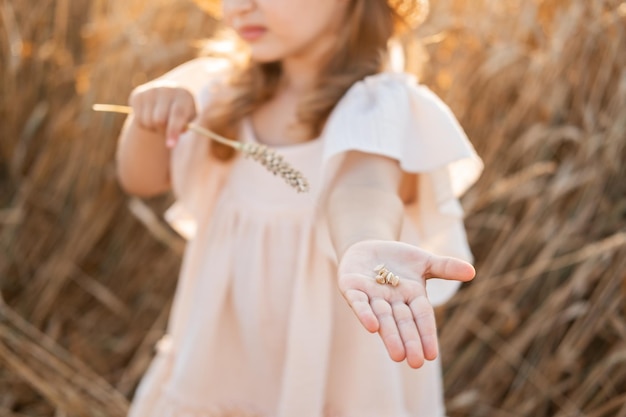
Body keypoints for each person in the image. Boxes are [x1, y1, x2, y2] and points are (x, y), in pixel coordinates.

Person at [115, 0, 483, 415]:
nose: (239, 6)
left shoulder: (378, 103)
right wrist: (146, 123)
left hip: (333, 370)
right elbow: (140, 180)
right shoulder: (218, 92)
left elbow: (364, 187)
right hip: (225, 360)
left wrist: (363, 244)